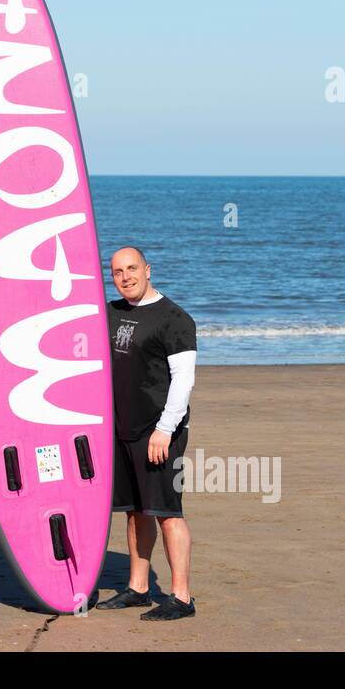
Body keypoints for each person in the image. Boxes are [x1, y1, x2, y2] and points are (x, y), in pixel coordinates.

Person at [96, 247, 198, 621]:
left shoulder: (174, 319)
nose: (126, 277)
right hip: (120, 429)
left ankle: (182, 597)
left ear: (148, 269)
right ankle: (138, 588)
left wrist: (164, 430)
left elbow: (184, 380)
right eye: (118, 272)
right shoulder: (109, 312)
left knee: (166, 512)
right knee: (135, 510)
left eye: (132, 269)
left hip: (158, 432)